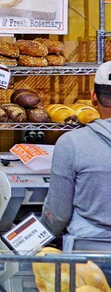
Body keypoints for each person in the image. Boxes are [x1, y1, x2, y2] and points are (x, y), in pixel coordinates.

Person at [41, 61, 111, 251]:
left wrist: (38, 238)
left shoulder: (72, 143)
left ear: (93, 97)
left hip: (87, 252)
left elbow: (58, 213)